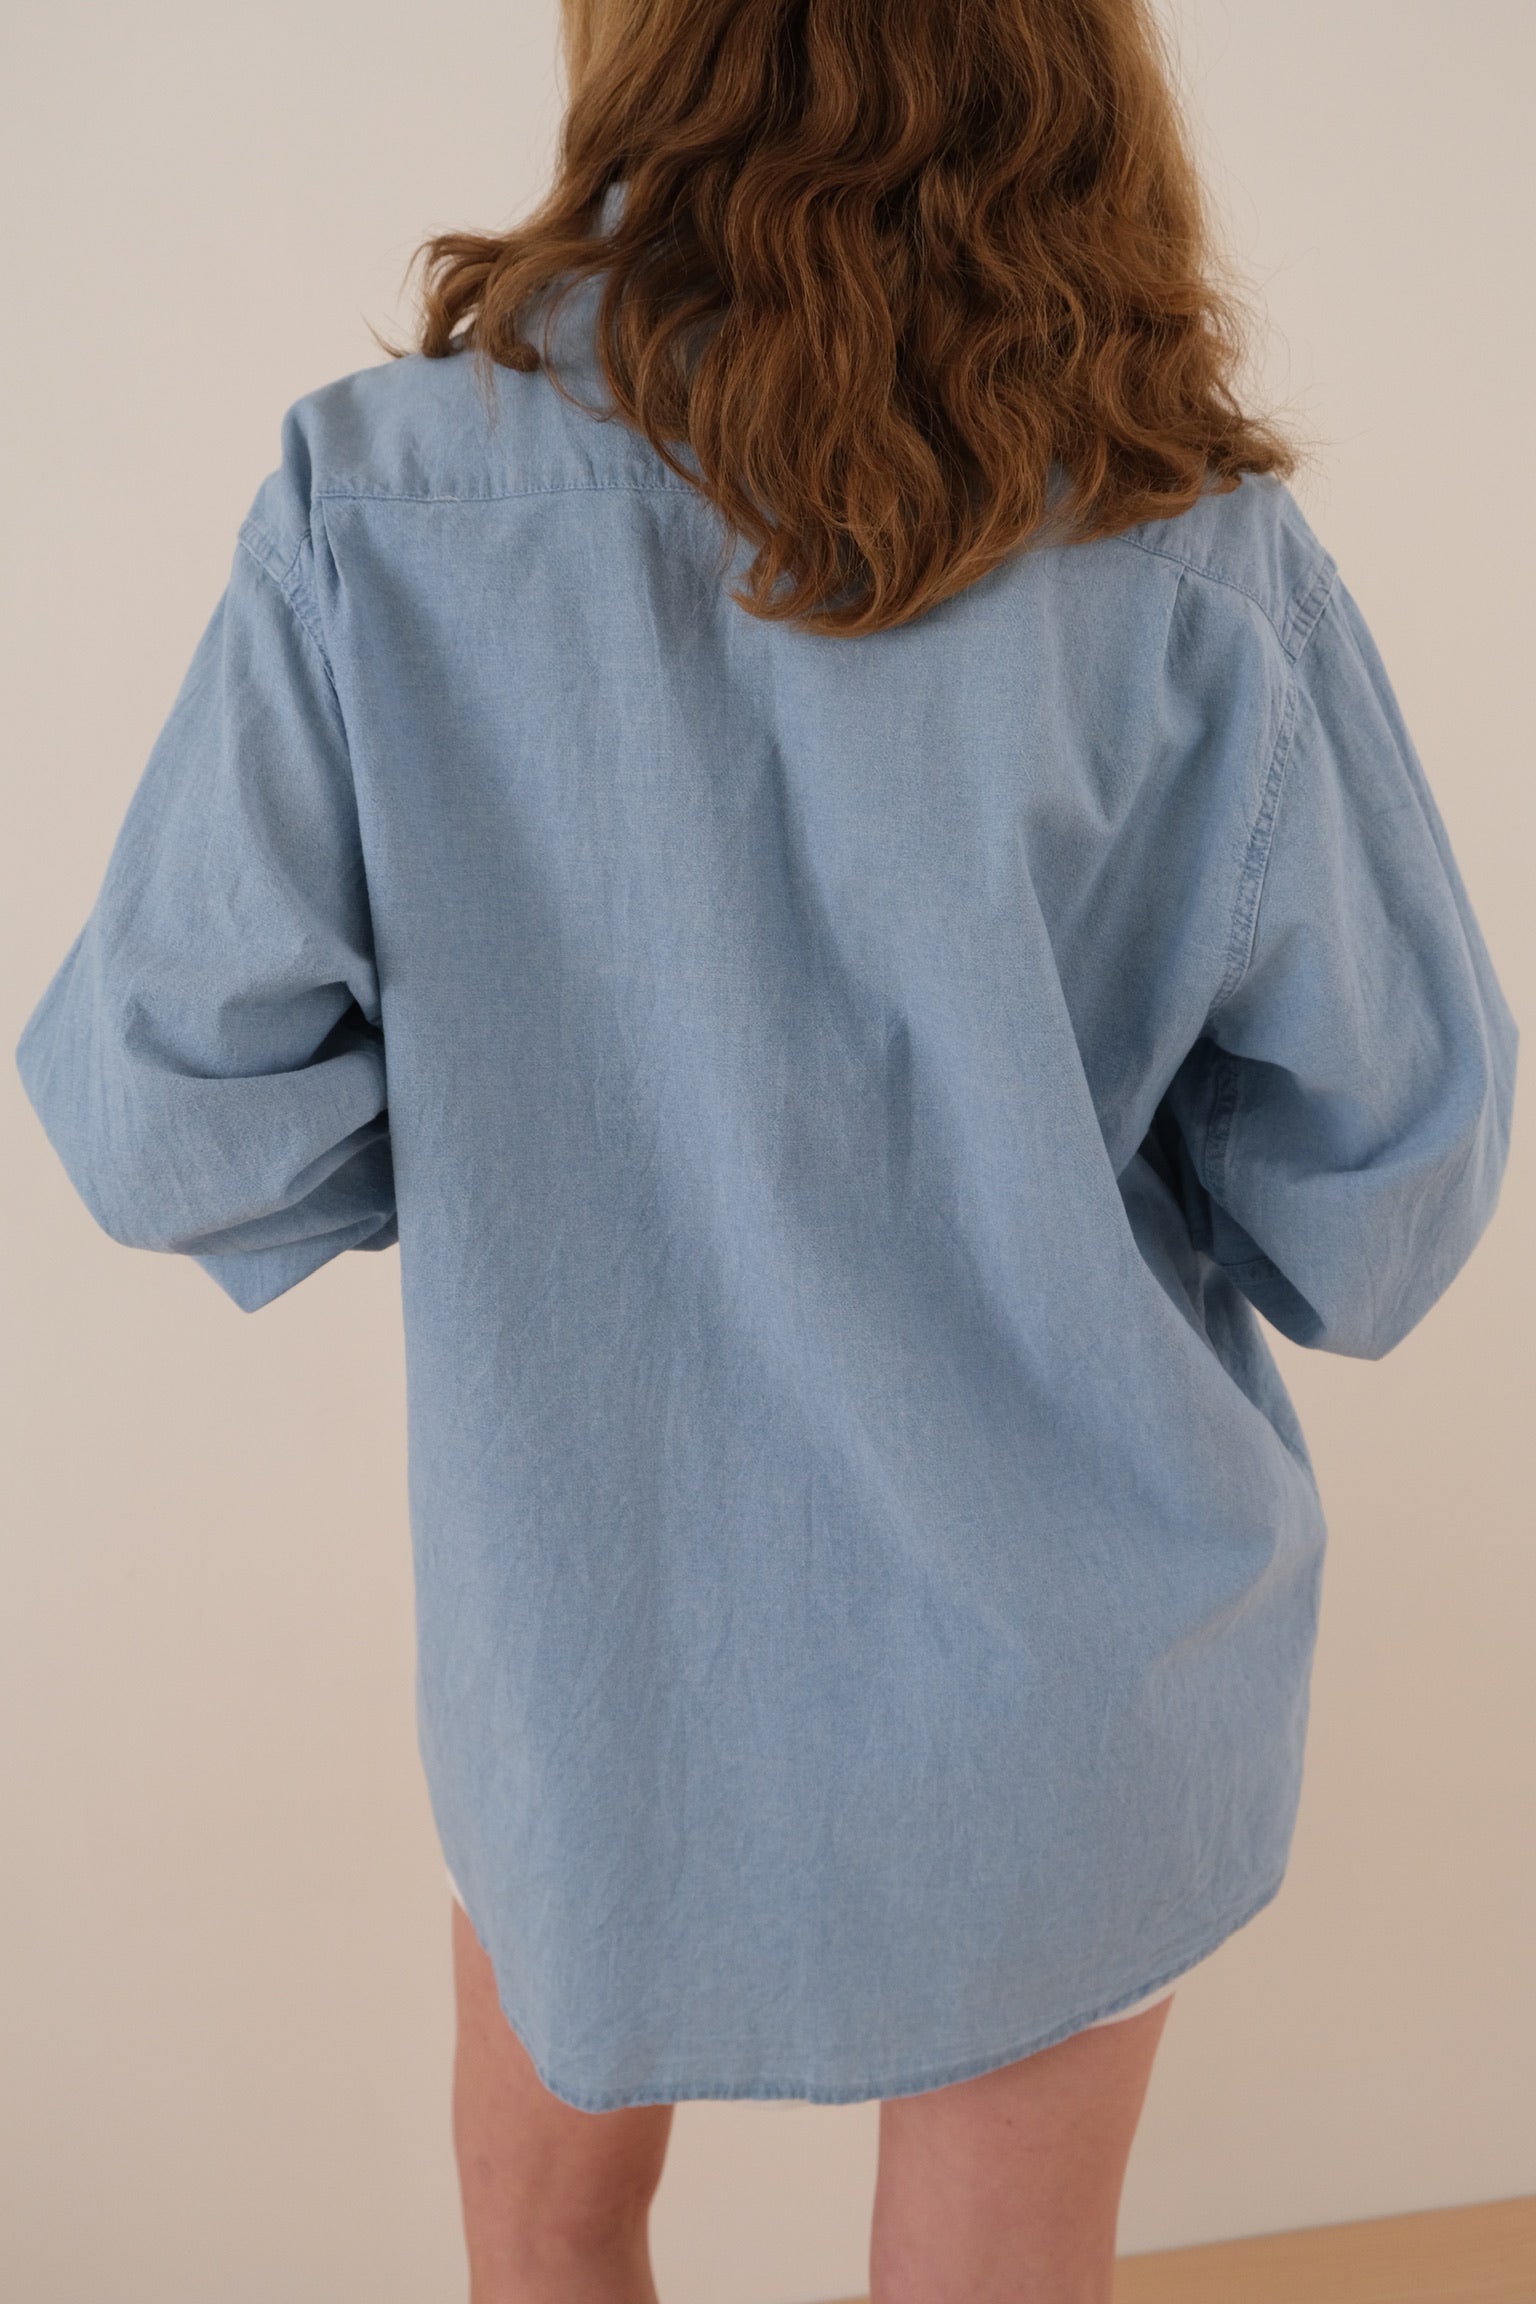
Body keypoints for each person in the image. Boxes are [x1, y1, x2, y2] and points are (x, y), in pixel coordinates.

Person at [14, 0, 1518, 2296]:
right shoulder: (1191, 543)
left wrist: (537, 1136)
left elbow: (162, 1116)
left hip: (590, 1655)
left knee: (547, 2249)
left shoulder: (388, 501)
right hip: (1069, 1677)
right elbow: (1385, 1198)